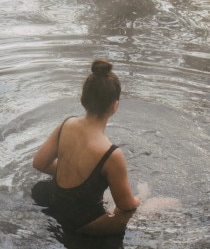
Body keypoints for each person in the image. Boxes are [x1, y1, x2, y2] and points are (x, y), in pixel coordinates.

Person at [32, 59, 141, 235]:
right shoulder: (112, 154)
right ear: (115, 106)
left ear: (83, 99)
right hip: (82, 223)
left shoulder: (66, 125)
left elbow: (39, 163)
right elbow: (125, 205)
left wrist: (69, 172)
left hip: (53, 202)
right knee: (160, 206)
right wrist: (140, 199)